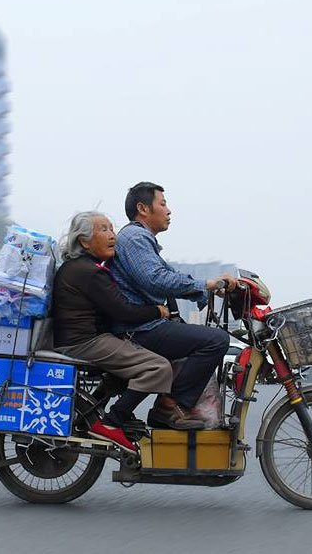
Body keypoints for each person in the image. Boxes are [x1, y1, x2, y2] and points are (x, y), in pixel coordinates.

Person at [109, 182, 234, 430]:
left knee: (194, 340)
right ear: (143, 208)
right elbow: (155, 279)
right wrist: (208, 283)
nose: (169, 211)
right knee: (216, 340)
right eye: (163, 204)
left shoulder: (141, 240)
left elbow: (169, 274)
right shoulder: (135, 237)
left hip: (143, 324)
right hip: (141, 328)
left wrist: (209, 288)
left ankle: (126, 413)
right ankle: (171, 405)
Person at [52, 211, 177, 450]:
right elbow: (123, 311)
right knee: (158, 367)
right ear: (84, 242)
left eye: (112, 229)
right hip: (84, 342)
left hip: (82, 338)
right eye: (104, 230)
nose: (113, 236)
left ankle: (95, 411)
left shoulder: (81, 268)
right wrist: (157, 311)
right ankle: (111, 423)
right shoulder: (89, 272)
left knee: (128, 366)